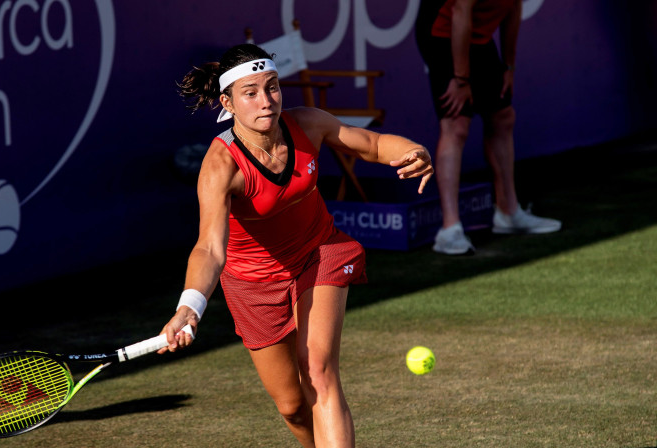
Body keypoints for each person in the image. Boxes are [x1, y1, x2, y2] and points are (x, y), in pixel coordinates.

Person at [158, 44, 433, 447]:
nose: (266, 101)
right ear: (227, 103)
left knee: (318, 371)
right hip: (252, 284)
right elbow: (210, 249)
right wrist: (190, 305)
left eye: (272, 87)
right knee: (292, 406)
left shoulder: (307, 123)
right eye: (250, 93)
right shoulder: (221, 166)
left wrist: (412, 150)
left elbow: (372, 145)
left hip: (318, 253)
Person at [415, 0, 561, 255]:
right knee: (456, 124)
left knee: (502, 116)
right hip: (442, 32)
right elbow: (461, 11)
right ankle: (450, 230)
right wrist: (461, 79)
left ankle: (508, 212)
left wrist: (509, 67)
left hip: (478, 37)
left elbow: (513, 9)